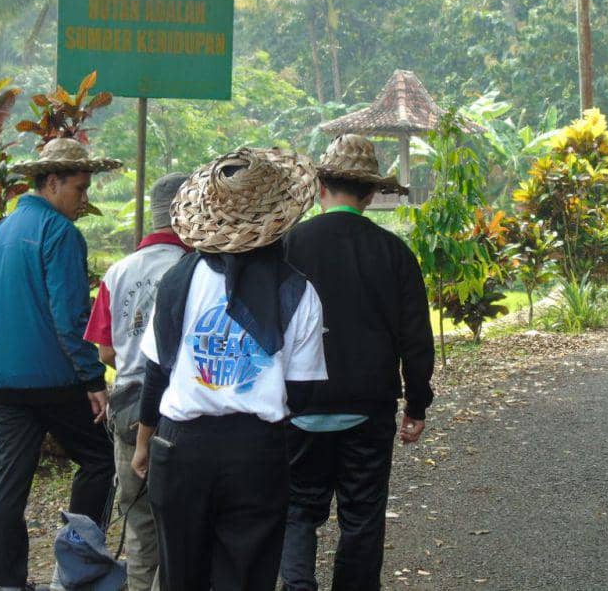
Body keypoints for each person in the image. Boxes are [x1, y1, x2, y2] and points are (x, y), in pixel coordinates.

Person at [131, 147, 328, 591]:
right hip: (256, 452)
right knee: (247, 575)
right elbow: (303, 393)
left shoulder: (178, 280)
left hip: (181, 449)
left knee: (181, 576)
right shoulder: (298, 292)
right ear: (280, 220)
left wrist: (144, 443)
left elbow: (156, 374)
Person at [278, 134, 435, 591]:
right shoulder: (394, 253)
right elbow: (416, 340)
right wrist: (417, 404)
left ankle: (297, 585)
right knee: (363, 516)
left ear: (321, 187)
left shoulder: (287, 247)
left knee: (297, 510)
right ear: (370, 194)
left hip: (297, 407)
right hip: (368, 407)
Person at [0, 137, 122, 591]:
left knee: (7, 486)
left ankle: (6, 583)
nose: (85, 200)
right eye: (79, 189)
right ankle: (76, 570)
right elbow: (70, 316)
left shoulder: (1, 231)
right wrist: (93, 379)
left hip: (3, 382)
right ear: (52, 182)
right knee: (101, 460)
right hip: (52, 378)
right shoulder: (60, 234)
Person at [84, 172, 190, 591]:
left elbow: (105, 352)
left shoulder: (119, 271)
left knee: (139, 521)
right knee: (180, 522)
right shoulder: (195, 268)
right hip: (179, 409)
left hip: (127, 407)